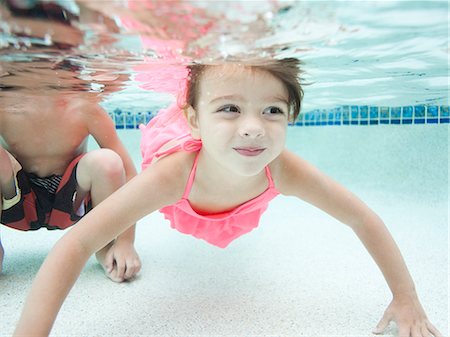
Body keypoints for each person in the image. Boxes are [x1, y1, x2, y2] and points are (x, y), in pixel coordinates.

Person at [13, 58, 442, 337]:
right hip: (190, 170)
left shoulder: (283, 167)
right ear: (196, 120)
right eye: (230, 109)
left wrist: (405, 296)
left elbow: (362, 219)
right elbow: (77, 242)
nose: (255, 127)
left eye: (273, 110)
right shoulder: (171, 174)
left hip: (227, 182)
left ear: (290, 117)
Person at [0, 57, 142, 283]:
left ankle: (104, 246)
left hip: (70, 202)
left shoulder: (84, 108)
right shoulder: (4, 107)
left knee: (108, 162)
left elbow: (130, 175)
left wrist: (126, 241)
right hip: (15, 203)